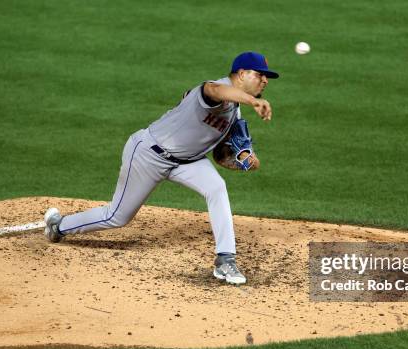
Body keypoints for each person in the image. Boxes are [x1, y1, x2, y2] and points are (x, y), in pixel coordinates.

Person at [43, 51, 279, 285]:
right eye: (260, 75)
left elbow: (220, 156)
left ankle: (225, 260)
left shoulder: (234, 114)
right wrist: (253, 100)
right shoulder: (215, 89)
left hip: (188, 162)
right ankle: (59, 226)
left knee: (216, 187)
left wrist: (244, 161)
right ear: (241, 73)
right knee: (117, 217)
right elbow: (215, 91)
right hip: (149, 154)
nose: (265, 80)